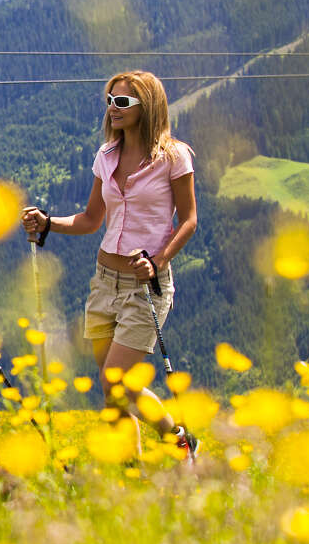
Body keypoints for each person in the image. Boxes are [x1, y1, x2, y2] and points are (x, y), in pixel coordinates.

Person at [19, 69, 199, 456]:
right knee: (113, 388)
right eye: (110, 101)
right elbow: (90, 220)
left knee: (117, 386)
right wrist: (49, 222)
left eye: (122, 102)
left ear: (146, 107)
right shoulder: (107, 156)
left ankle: (169, 447)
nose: (112, 109)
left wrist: (159, 260)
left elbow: (189, 220)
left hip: (144, 285)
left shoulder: (174, 158)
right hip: (103, 281)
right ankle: (146, 460)